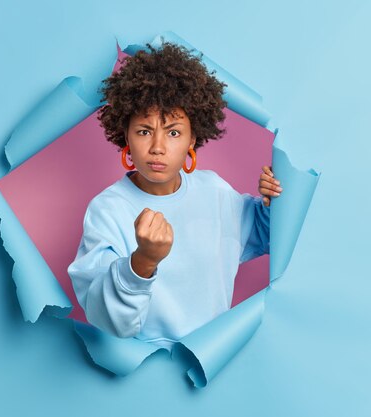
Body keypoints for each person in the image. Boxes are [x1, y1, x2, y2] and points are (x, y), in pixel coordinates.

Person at [67, 42, 283, 350]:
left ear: (192, 138)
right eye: (144, 131)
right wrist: (143, 262)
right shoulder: (108, 210)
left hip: (212, 359)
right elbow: (108, 320)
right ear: (125, 134)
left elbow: (266, 235)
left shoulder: (215, 190)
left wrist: (273, 202)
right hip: (149, 371)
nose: (157, 147)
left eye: (173, 132)